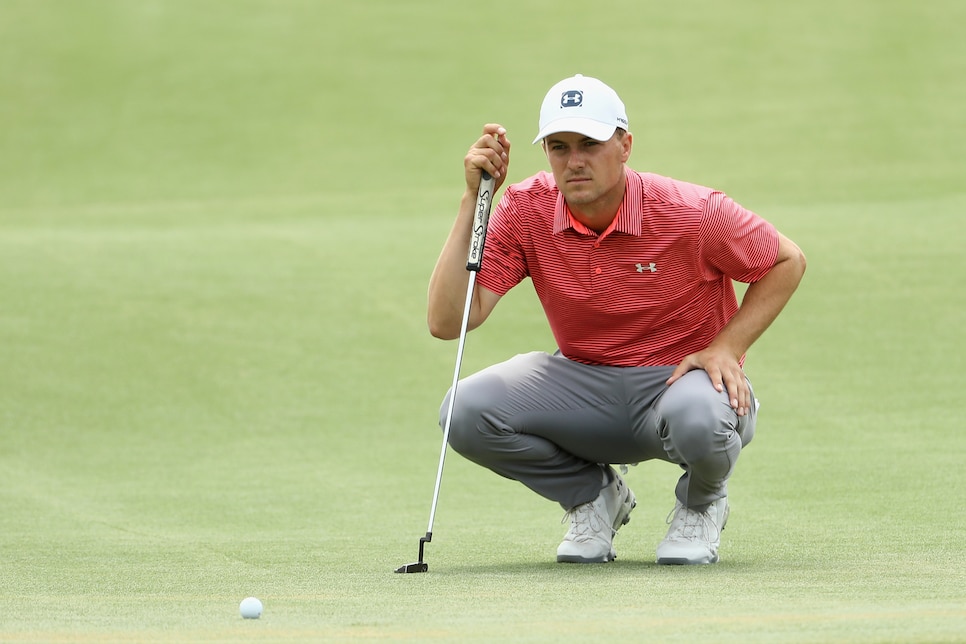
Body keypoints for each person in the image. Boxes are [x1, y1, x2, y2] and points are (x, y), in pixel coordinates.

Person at [427, 74, 806, 565]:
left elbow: (786, 260)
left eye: (591, 143)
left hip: (680, 385)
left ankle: (701, 503)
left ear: (625, 145)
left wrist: (727, 347)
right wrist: (473, 201)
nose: (574, 160)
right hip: (583, 385)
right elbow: (449, 319)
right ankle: (593, 496)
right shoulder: (525, 208)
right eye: (559, 147)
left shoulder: (691, 211)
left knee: (700, 419)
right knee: (464, 411)